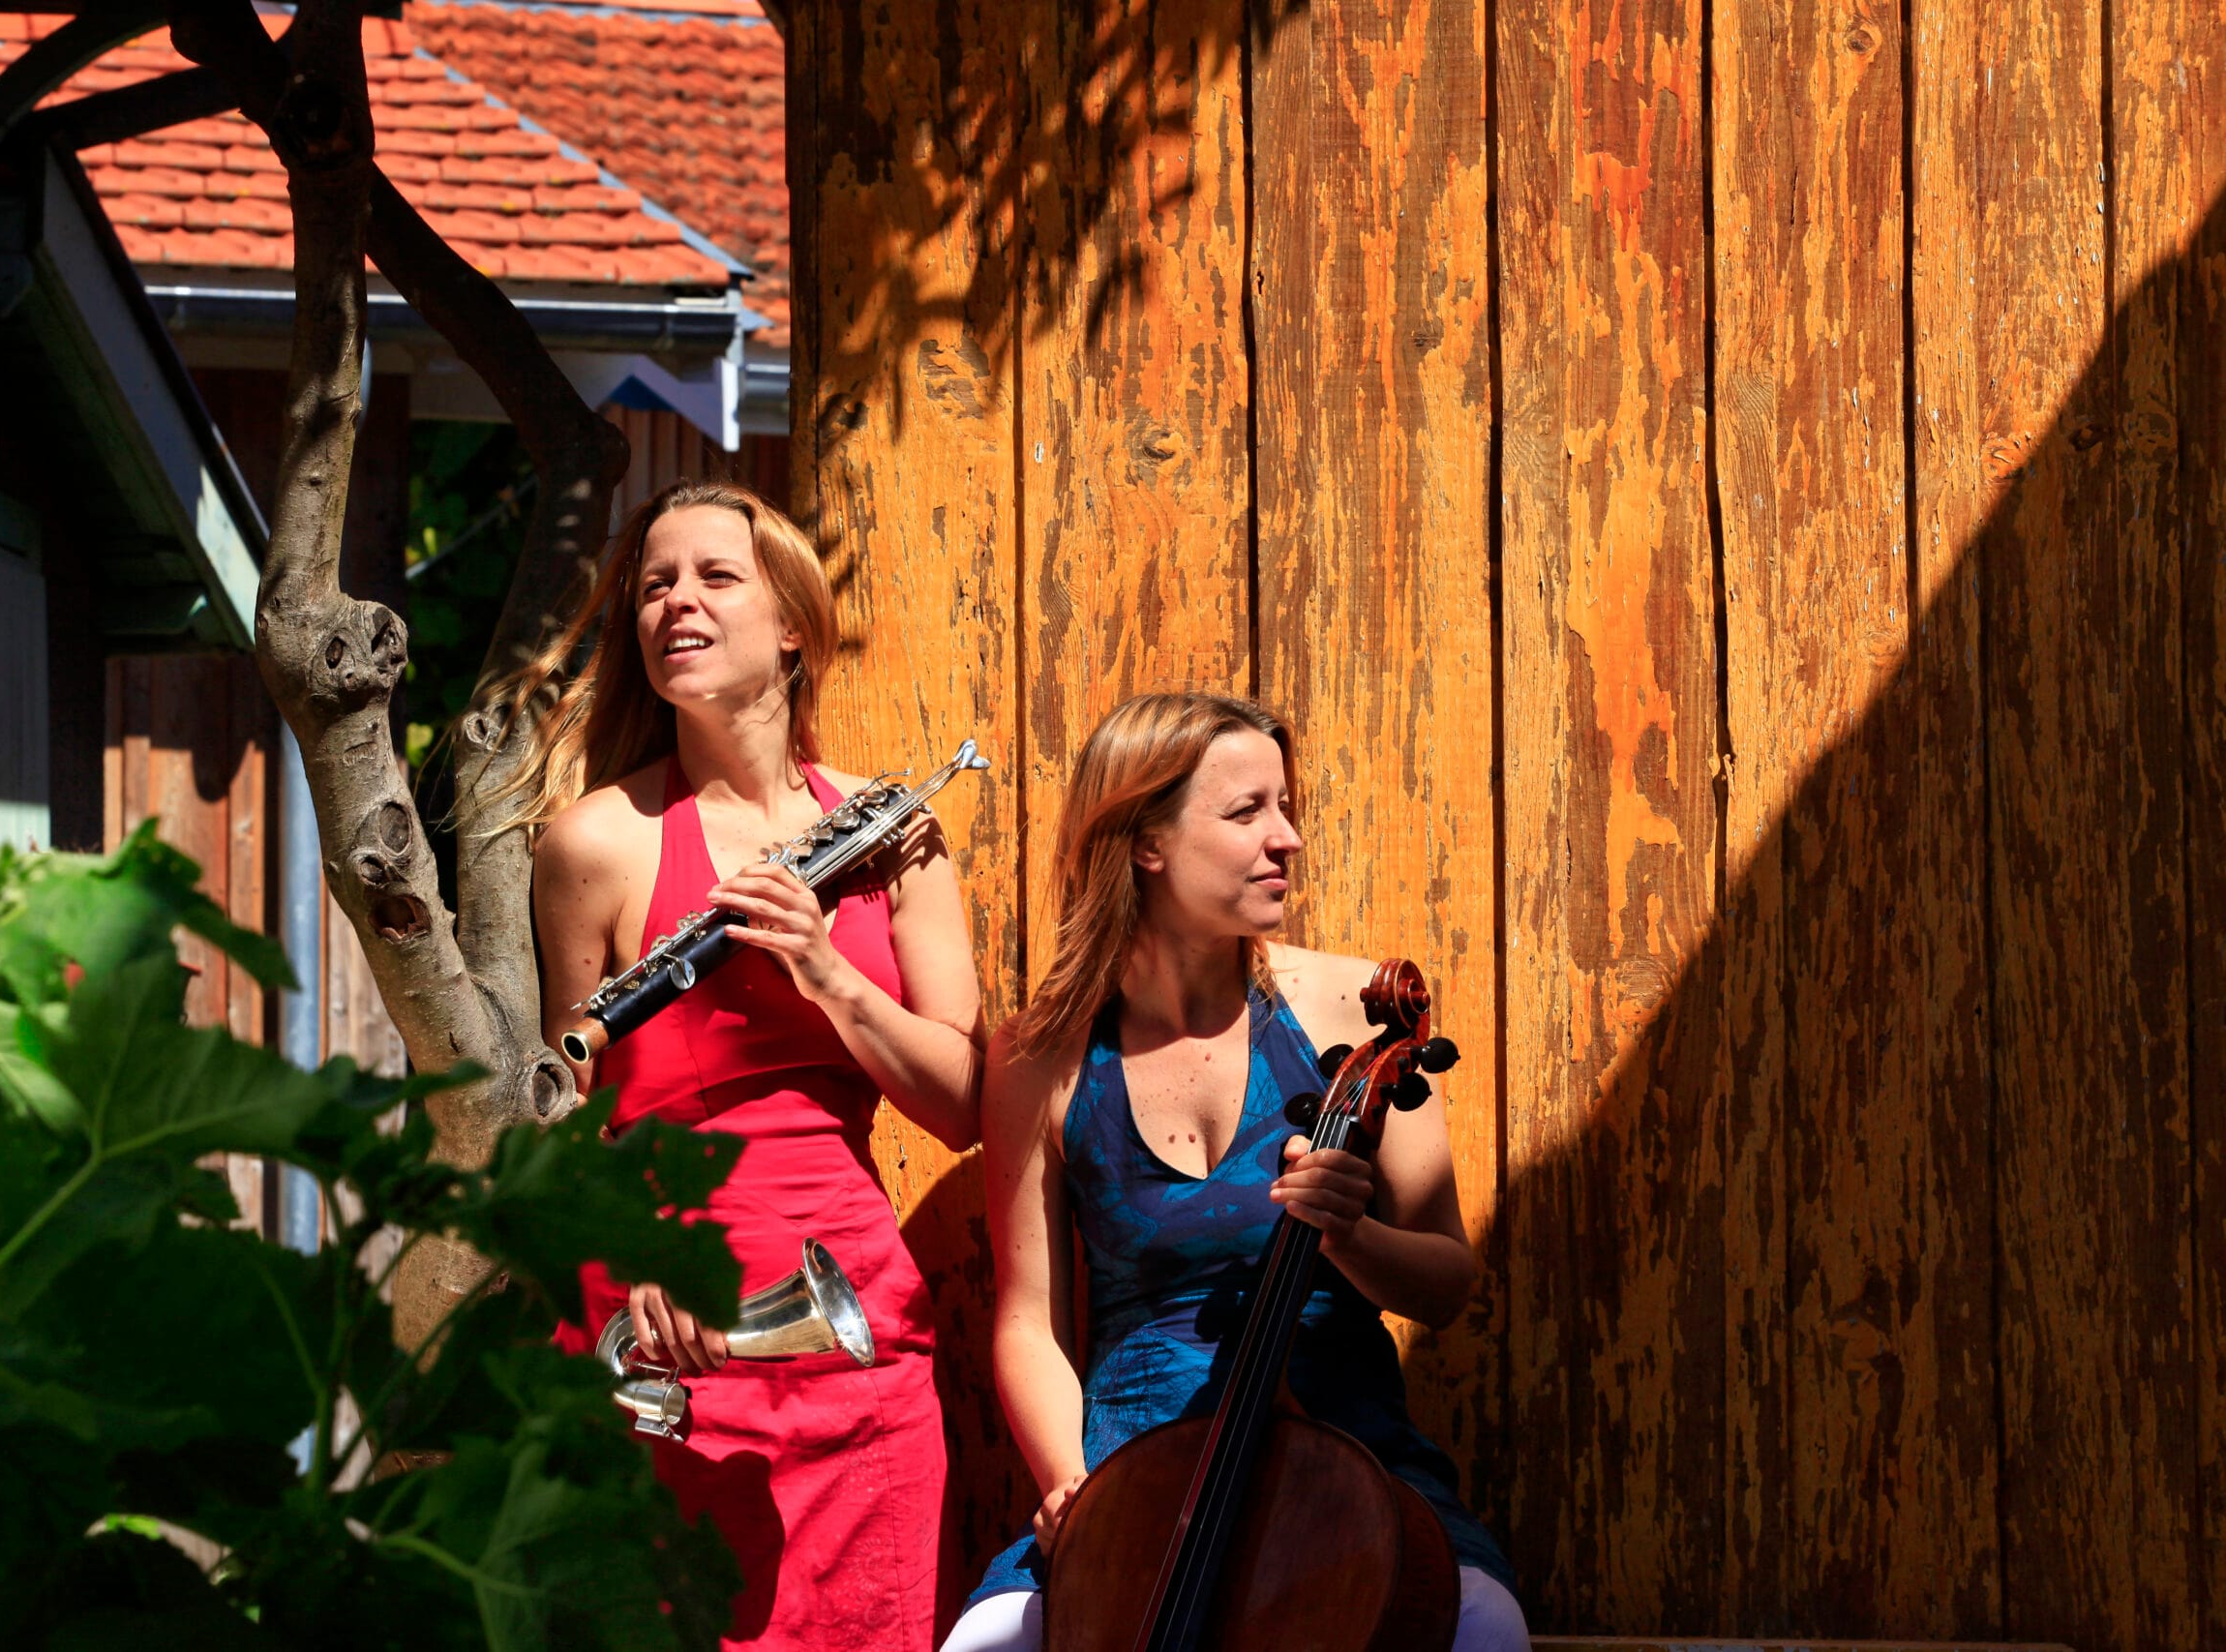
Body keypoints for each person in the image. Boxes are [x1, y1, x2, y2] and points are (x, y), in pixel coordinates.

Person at [940, 693, 1529, 1652]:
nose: (1286, 838)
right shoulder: (1039, 1055)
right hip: (1129, 1462)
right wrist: (1070, 1485)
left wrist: (1350, 1235)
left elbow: (1448, 1281)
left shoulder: (1354, 1012)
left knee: (1482, 1625)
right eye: (1246, 811)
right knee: (989, 1642)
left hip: (1345, 1454)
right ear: (1146, 844)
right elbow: (1026, 1318)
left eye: (1286, 807)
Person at [503, 479, 983, 1652]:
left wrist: (823, 967)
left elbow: (967, 1099)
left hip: (851, 1314)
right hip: (664, 1320)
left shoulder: (889, 833)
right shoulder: (596, 843)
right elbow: (563, 1106)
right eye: (654, 585)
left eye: (715, 577)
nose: (676, 602)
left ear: (792, 626)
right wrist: (628, 1260)